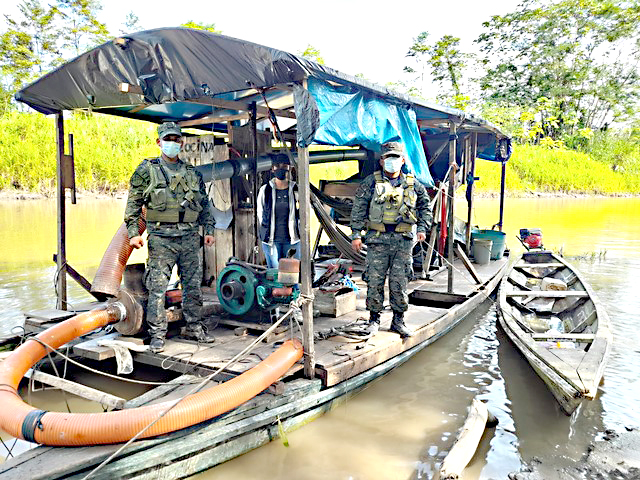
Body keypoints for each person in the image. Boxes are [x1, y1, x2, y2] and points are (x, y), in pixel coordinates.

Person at [125, 122, 216, 353]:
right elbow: (133, 206)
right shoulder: (146, 170)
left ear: (182, 142)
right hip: (161, 240)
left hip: (189, 238)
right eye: (168, 139)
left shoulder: (193, 174)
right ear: (159, 142)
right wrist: (134, 234)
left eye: (176, 139)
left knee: (193, 287)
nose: (173, 143)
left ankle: (194, 328)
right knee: (158, 288)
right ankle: (157, 335)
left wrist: (209, 230)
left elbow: (205, 205)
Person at [350, 141, 432, 338]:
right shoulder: (371, 182)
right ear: (381, 161)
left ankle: (398, 320)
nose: (392, 162)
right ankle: (374, 319)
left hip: (402, 241)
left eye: (396, 158)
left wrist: (422, 228)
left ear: (403, 161)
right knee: (374, 280)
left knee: (400, 281)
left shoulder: (414, 184)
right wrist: (355, 234)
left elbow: (425, 208)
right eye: (388, 158)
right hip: (377, 240)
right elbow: (359, 207)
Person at [257, 154, 300, 268]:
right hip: (271, 240)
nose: (281, 169)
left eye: (284, 166)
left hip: (292, 239)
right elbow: (260, 213)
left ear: (289, 168)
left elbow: (304, 211)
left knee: (292, 274)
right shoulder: (265, 190)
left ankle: (293, 287)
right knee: (275, 273)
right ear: (272, 169)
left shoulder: (296, 189)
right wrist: (266, 230)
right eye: (277, 166)